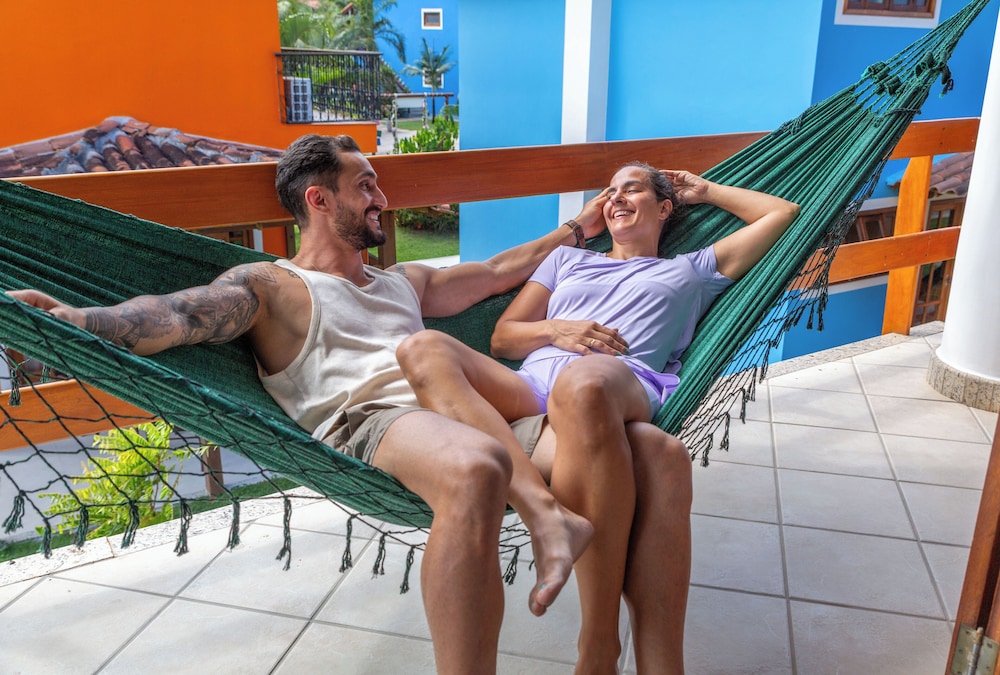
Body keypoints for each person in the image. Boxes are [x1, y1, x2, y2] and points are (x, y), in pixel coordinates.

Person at [4, 134, 675, 675]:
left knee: (651, 450)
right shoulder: (271, 284)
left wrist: (577, 228)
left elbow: (501, 271)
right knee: (476, 466)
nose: (383, 198)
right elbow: (182, 314)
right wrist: (82, 323)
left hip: (474, 409)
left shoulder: (404, 281)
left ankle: (614, 653)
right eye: (367, 186)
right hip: (379, 421)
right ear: (320, 199)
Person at [395, 162, 800, 673]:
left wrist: (706, 190)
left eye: (632, 189)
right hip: (532, 386)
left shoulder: (691, 270)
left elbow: (784, 214)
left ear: (665, 208)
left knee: (584, 383)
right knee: (424, 347)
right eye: (610, 192)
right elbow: (503, 338)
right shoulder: (567, 260)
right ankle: (558, 530)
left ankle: (598, 640)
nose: (616, 198)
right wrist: (555, 330)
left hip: (620, 381)